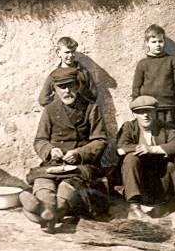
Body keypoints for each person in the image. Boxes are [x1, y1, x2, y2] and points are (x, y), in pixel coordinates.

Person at [20, 68, 108, 234]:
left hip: (82, 164)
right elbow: (40, 140)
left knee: (68, 186)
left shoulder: (91, 109)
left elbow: (100, 140)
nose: (67, 91)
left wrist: (79, 153)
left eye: (70, 86)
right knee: (43, 181)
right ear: (55, 89)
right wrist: (50, 150)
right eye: (62, 87)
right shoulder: (50, 110)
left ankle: (46, 212)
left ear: (78, 86)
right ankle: (46, 207)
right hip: (54, 162)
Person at [116, 95, 175, 226]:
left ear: (155, 112)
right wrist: (139, 149)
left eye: (149, 111)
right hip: (141, 186)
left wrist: (153, 149)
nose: (145, 115)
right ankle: (134, 208)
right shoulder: (129, 127)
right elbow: (120, 149)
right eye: (141, 112)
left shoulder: (164, 128)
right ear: (134, 114)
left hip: (162, 185)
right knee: (130, 159)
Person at [131, 24, 175, 127]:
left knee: (169, 135)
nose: (157, 45)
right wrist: (136, 108)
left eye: (160, 41)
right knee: (151, 135)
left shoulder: (172, 61)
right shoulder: (142, 64)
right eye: (153, 42)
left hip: (168, 108)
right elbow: (136, 88)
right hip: (148, 108)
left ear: (164, 42)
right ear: (147, 43)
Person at [38, 37, 97, 106]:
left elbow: (94, 95)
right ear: (58, 53)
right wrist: (59, 100)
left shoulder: (83, 72)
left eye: (73, 51)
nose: (71, 55)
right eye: (67, 52)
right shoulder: (54, 75)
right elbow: (43, 99)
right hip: (63, 114)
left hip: (81, 112)